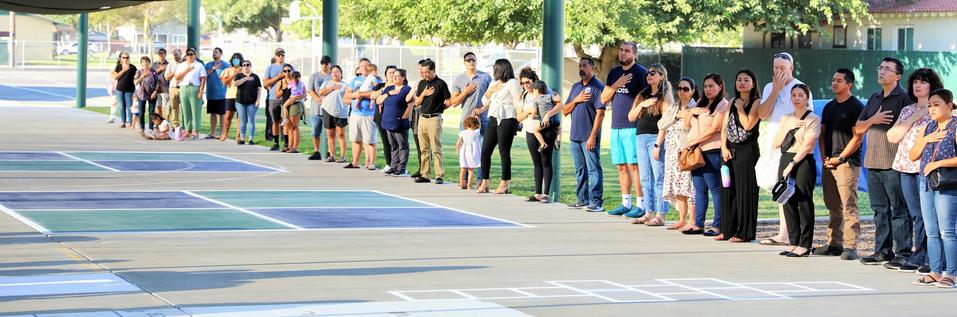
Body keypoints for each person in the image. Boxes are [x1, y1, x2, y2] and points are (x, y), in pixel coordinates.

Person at [854, 57, 914, 266]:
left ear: (897, 76)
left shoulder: (904, 99)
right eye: (880, 67)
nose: (881, 71)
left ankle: (904, 253)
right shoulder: (874, 97)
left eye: (887, 69)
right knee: (879, 210)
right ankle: (883, 251)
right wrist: (873, 120)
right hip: (872, 162)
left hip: (893, 163)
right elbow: (858, 128)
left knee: (899, 210)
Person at [885, 68, 943, 273]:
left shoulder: (938, 109)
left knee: (926, 215)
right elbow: (892, 137)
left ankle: (927, 258)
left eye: (923, 82)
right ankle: (918, 255)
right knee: (914, 213)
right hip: (904, 167)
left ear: (932, 86)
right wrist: (916, 115)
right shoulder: (908, 110)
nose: (917, 85)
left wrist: (927, 112)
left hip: (925, 169)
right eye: (915, 82)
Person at [757, 52, 809, 246]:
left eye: (783, 69)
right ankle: (784, 233)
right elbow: (762, 114)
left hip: (792, 145)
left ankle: (795, 234)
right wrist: (776, 91)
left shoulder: (800, 87)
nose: (779, 72)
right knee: (779, 187)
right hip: (772, 143)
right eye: (776, 68)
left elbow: (806, 118)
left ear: (791, 69)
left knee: (791, 187)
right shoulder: (770, 87)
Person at [909, 88, 957, 289]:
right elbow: (913, 155)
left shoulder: (955, 127)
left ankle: (952, 274)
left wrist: (938, 164)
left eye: (936, 104)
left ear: (949, 105)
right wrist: (926, 140)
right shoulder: (927, 128)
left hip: (946, 182)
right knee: (931, 230)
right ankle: (935, 271)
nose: (932, 109)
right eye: (930, 105)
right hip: (925, 181)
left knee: (947, 231)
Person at [817, 68, 865, 260]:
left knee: (849, 206)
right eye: (833, 80)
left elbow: (858, 138)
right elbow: (822, 134)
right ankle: (834, 244)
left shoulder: (856, 107)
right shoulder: (829, 107)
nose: (834, 83)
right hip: (829, 162)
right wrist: (824, 157)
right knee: (832, 205)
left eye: (839, 80)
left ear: (849, 84)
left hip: (847, 163)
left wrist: (841, 158)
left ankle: (851, 246)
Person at [600, 41, 649, 216]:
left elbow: (647, 100)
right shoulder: (614, 73)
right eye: (621, 50)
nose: (623, 54)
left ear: (634, 53)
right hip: (616, 127)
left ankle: (641, 205)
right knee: (621, 166)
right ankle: (625, 203)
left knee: (635, 166)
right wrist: (616, 84)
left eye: (627, 51)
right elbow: (604, 98)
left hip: (633, 127)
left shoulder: (641, 73)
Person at [713, 69, 762, 241]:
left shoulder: (756, 102)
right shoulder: (732, 101)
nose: (742, 82)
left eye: (746, 80)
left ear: (753, 83)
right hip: (729, 151)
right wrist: (724, 148)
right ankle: (727, 230)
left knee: (744, 192)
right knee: (728, 190)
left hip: (747, 151)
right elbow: (725, 127)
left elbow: (748, 125)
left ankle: (744, 233)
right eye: (739, 79)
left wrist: (741, 108)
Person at [773, 84, 821, 257]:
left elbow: (808, 144)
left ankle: (805, 244)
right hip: (785, 157)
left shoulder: (812, 118)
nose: (796, 98)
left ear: (807, 98)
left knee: (803, 201)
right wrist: (788, 127)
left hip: (802, 161)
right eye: (793, 95)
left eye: (801, 95)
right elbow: (776, 142)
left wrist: (792, 164)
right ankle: (793, 241)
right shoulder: (786, 118)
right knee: (786, 199)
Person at [627, 63, 674, 226]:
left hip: (656, 138)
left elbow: (667, 122)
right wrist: (642, 105)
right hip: (640, 137)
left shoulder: (666, 95)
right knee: (645, 178)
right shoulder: (643, 94)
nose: (649, 75)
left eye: (653, 72)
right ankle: (648, 212)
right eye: (648, 72)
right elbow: (631, 117)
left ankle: (661, 215)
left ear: (662, 76)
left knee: (659, 177)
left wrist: (658, 145)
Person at [682, 73, 729, 236]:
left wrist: (694, 142)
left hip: (712, 150)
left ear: (720, 86)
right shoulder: (701, 105)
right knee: (699, 189)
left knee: (715, 188)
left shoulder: (722, 104)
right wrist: (693, 110)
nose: (708, 89)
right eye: (706, 86)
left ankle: (718, 225)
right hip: (696, 152)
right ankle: (697, 223)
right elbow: (686, 122)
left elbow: (715, 128)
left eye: (712, 86)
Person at [472, 60, 522, 192]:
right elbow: (485, 101)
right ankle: (485, 182)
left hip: (508, 118)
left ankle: (504, 184)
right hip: (493, 118)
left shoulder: (512, 83)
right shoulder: (494, 83)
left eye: (495, 67)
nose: (493, 69)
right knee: (485, 150)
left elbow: (518, 102)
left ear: (501, 68)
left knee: (504, 151)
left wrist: (519, 120)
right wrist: (490, 91)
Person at [563, 57, 605, 211]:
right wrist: (576, 99)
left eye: (585, 65)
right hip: (575, 136)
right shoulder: (575, 87)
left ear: (592, 67)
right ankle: (582, 199)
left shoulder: (598, 87)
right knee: (580, 169)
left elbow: (600, 114)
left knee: (593, 169)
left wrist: (593, 136)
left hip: (589, 137)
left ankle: (597, 202)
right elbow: (565, 110)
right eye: (580, 65)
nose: (581, 68)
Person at [660, 77, 698, 231]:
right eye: (680, 88)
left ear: (693, 91)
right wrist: (676, 116)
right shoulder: (674, 107)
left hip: (686, 152)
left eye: (686, 89)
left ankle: (692, 220)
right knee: (678, 187)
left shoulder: (695, 107)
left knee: (689, 187)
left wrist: (686, 116)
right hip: (671, 154)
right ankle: (681, 219)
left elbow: (693, 127)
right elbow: (661, 124)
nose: (682, 91)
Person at [521, 77, 562, 203]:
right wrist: (527, 112)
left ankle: (546, 194)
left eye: (528, 82)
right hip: (531, 129)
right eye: (522, 83)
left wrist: (548, 114)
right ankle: (538, 193)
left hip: (546, 130)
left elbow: (560, 102)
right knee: (536, 163)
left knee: (546, 161)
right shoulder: (523, 96)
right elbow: (519, 115)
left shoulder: (547, 92)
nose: (525, 85)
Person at [453, 52, 493, 181]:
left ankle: (481, 180)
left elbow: (492, 98)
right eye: (468, 60)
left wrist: (482, 109)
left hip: (483, 120)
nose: (471, 62)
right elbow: (453, 102)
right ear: (464, 63)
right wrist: (465, 92)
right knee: (465, 149)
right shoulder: (459, 79)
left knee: (482, 150)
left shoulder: (486, 77)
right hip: (466, 121)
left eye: (473, 60)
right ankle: (464, 180)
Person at [412, 58, 452, 183]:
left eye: (426, 72)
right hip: (422, 118)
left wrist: (441, 108)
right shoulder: (422, 84)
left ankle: (439, 175)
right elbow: (417, 103)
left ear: (433, 70)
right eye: (422, 72)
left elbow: (448, 101)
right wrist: (423, 94)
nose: (424, 74)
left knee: (436, 148)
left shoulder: (441, 84)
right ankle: (425, 174)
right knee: (424, 149)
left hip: (434, 118)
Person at [376, 68, 413, 177]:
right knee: (393, 145)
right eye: (394, 76)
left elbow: (410, 105)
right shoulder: (389, 88)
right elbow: (378, 100)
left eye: (398, 76)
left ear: (403, 77)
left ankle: (402, 168)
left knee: (402, 145)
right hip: (388, 121)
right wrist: (388, 94)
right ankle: (394, 165)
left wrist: (403, 118)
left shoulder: (406, 89)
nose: (395, 77)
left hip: (399, 122)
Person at [344, 59, 380, 170]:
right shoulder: (355, 80)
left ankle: (370, 162)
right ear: (359, 68)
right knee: (356, 139)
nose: (364, 68)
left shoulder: (376, 79)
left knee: (370, 140)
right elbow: (346, 96)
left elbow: (377, 93)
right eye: (362, 66)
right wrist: (356, 94)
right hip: (355, 114)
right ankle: (355, 162)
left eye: (366, 66)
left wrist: (363, 94)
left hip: (369, 114)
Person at [173, 47, 207, 139]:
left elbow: (203, 78)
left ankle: (195, 130)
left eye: (191, 54)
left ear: (194, 55)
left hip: (194, 87)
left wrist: (201, 91)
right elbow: (177, 77)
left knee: (195, 110)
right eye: (188, 54)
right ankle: (187, 130)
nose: (189, 56)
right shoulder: (182, 65)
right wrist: (187, 70)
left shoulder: (199, 65)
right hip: (184, 87)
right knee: (185, 110)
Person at [319, 65, 349, 163]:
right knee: (330, 134)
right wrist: (333, 88)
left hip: (341, 112)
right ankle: (331, 155)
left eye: (337, 72)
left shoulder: (345, 85)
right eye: (333, 72)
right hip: (328, 111)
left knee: (340, 134)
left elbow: (348, 96)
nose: (335, 73)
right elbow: (321, 92)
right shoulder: (327, 83)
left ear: (341, 74)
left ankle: (342, 156)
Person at [264, 48, 292, 149]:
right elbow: (265, 83)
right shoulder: (270, 68)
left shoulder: (289, 67)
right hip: (274, 98)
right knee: (275, 121)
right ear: (275, 56)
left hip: (287, 99)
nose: (280, 57)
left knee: (285, 121)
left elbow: (296, 80)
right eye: (278, 55)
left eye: (282, 55)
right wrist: (278, 77)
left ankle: (286, 143)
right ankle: (276, 143)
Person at [307, 56, 333, 160]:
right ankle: (316, 151)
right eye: (322, 63)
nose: (324, 65)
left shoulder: (333, 76)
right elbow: (310, 90)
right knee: (315, 131)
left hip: (328, 109)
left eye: (326, 63)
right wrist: (318, 98)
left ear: (330, 64)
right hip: (315, 109)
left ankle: (329, 152)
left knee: (329, 133)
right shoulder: (314, 76)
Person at [374, 65, 398, 173]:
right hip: (381, 116)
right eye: (390, 73)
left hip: (393, 117)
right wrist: (384, 90)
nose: (392, 74)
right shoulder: (381, 86)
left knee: (395, 141)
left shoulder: (399, 87)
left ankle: (396, 164)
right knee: (385, 141)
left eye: (394, 72)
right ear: (386, 75)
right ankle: (389, 163)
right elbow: (372, 96)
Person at [233, 60, 261, 145]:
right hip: (240, 102)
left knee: (251, 119)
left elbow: (259, 88)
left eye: (248, 65)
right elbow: (235, 84)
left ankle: (251, 139)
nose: (246, 66)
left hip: (252, 102)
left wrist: (258, 100)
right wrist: (246, 78)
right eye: (244, 65)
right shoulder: (239, 75)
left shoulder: (255, 77)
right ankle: (242, 138)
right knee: (243, 120)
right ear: (242, 66)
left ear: (250, 66)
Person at [204, 47, 229, 139]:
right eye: (213, 52)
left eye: (216, 52)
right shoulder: (208, 65)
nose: (214, 54)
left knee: (222, 114)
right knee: (212, 113)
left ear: (221, 54)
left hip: (221, 93)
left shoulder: (225, 65)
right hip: (211, 93)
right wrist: (213, 68)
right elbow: (204, 75)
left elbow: (228, 77)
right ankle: (213, 133)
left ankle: (222, 133)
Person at [219, 52, 244, 142]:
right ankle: (225, 133)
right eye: (234, 59)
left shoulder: (244, 69)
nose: (236, 60)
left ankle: (238, 135)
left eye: (237, 58)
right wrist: (234, 74)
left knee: (240, 116)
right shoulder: (228, 70)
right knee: (228, 115)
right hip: (230, 95)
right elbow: (225, 82)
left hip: (241, 95)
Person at [134, 56, 160, 133]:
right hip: (141, 94)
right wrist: (143, 76)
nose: (145, 64)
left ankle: (151, 128)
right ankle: (142, 127)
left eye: (147, 62)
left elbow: (157, 83)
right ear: (141, 63)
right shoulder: (139, 72)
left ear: (149, 63)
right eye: (143, 62)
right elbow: (135, 82)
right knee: (142, 111)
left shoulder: (153, 71)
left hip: (152, 94)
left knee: (151, 112)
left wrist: (155, 91)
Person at [281, 71, 306, 153]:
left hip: (294, 104)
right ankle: (290, 146)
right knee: (290, 127)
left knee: (294, 127)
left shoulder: (295, 83)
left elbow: (305, 94)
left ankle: (295, 147)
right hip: (288, 104)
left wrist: (296, 98)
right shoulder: (293, 83)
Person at [524, 81, 552, 151]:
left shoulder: (536, 100)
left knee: (535, 131)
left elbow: (534, 111)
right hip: (552, 118)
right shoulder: (549, 96)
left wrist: (532, 117)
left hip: (544, 121)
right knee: (558, 128)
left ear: (536, 90)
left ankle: (543, 144)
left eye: (533, 91)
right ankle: (558, 137)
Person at [111, 51, 136, 128]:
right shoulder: (118, 67)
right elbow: (115, 77)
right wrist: (124, 70)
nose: (125, 59)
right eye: (123, 57)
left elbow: (136, 78)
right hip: (120, 90)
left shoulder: (133, 67)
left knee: (129, 106)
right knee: (121, 106)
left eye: (127, 57)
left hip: (129, 90)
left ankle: (131, 122)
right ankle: (123, 122)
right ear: (120, 58)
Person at [458, 116, 482, 190]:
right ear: (476, 124)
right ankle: (469, 186)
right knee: (471, 170)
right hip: (472, 153)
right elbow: (479, 127)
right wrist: (478, 118)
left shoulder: (463, 132)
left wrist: (458, 149)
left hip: (464, 153)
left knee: (463, 169)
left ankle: (461, 184)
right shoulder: (475, 132)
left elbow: (458, 143)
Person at [164, 49, 183, 128]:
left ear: (181, 54)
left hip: (183, 88)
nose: (176, 56)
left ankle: (186, 126)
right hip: (173, 88)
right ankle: (175, 126)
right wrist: (174, 72)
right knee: (174, 108)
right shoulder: (170, 65)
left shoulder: (185, 64)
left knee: (184, 108)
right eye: (175, 55)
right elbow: (167, 77)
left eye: (177, 54)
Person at [151, 48, 170, 119]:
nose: (161, 55)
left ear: (165, 54)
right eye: (160, 53)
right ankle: (159, 122)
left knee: (166, 107)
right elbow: (150, 74)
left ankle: (166, 122)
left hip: (165, 88)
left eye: (163, 53)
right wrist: (160, 69)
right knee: (158, 106)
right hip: (156, 89)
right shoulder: (154, 64)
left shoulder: (169, 64)